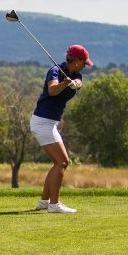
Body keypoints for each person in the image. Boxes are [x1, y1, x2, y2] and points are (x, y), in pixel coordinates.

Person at [30, 44, 92, 214]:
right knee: (63, 162)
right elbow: (52, 91)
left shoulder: (77, 75)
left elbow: (79, 83)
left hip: (50, 123)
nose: (85, 66)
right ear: (77, 61)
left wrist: (74, 83)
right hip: (42, 122)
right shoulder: (55, 71)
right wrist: (65, 83)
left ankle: (44, 202)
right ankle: (54, 205)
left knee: (58, 163)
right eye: (84, 62)